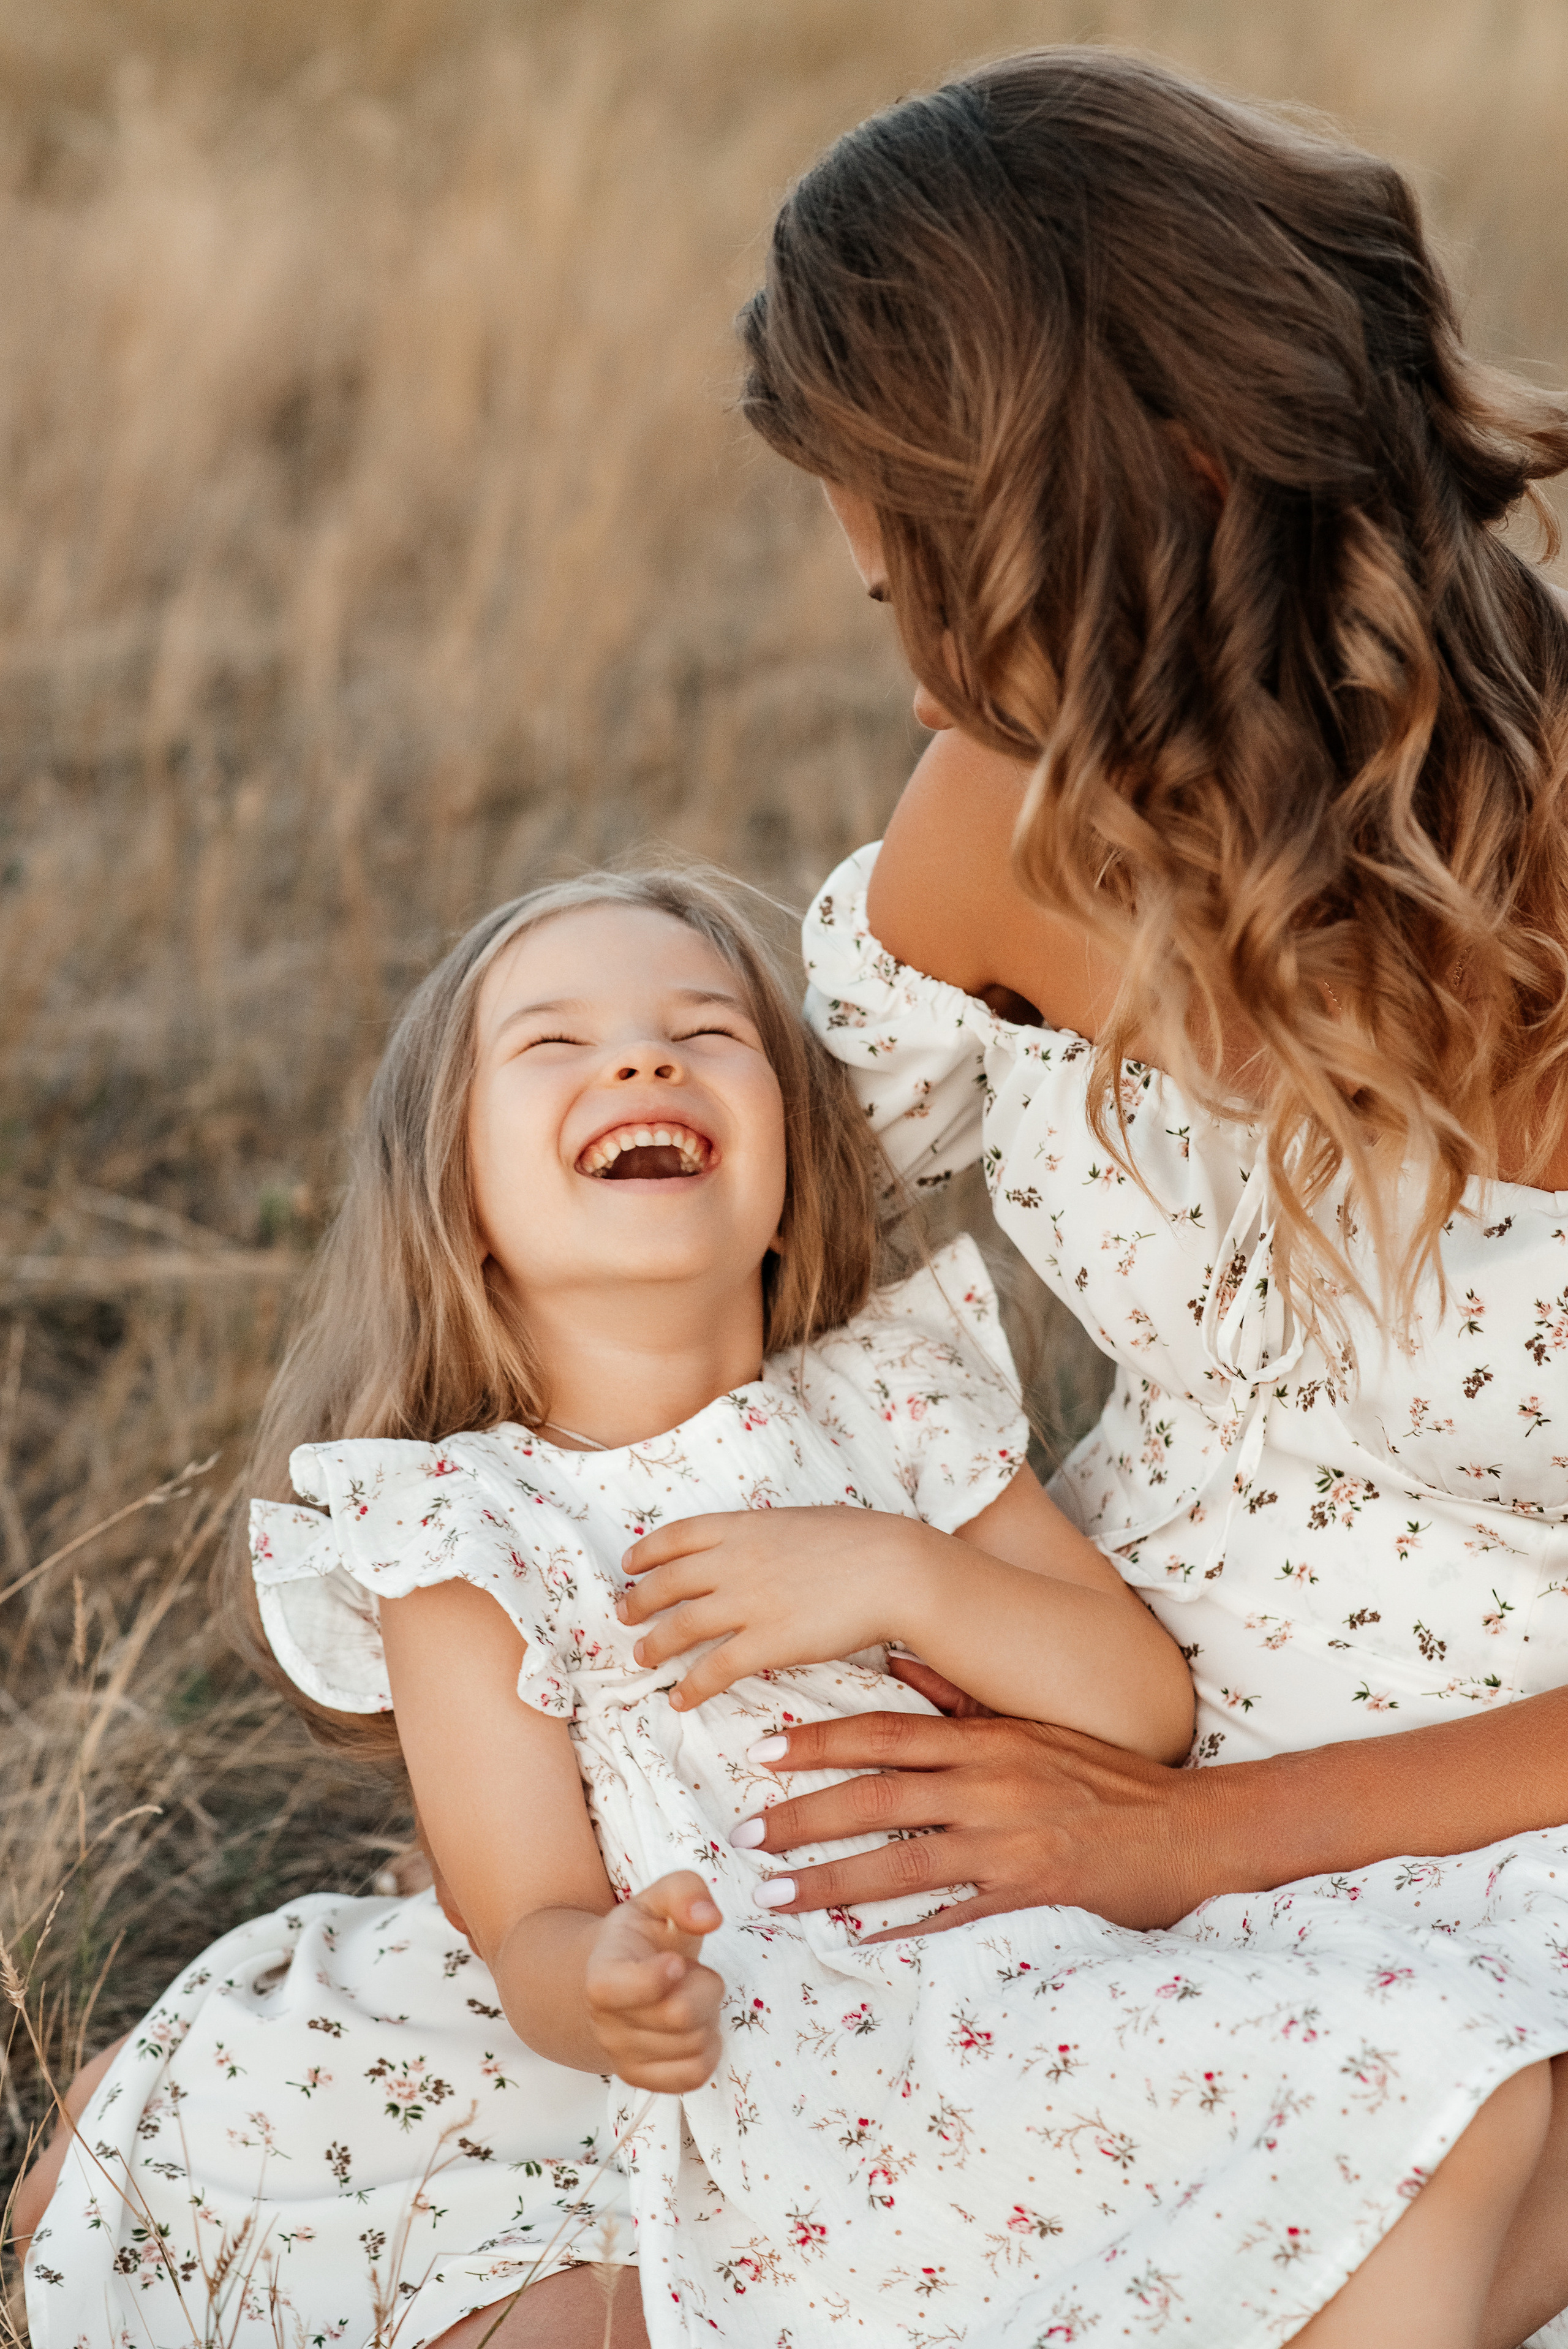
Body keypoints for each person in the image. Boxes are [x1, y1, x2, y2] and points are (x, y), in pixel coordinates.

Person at [15, 865, 1565, 2349]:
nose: (643, 1059)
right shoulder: (461, 1531)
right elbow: (523, 1915)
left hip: (1019, 1950)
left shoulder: (890, 1397)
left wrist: (899, 1573)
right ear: (457, 1199)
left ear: (788, 1177)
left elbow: (1139, 1707)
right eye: (553, 1044)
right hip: (798, 2048)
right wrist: (609, 1989)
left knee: (1463, 2085)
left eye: (706, 1032)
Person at [728, 39, 1568, 2349]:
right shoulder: (995, 828)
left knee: (1366, 2173)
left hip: (1506, 1812)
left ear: (1170, 488)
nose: (905, 658)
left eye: (926, 575)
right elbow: (752, 1279)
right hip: (1101, 1695)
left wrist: (1181, 1846)